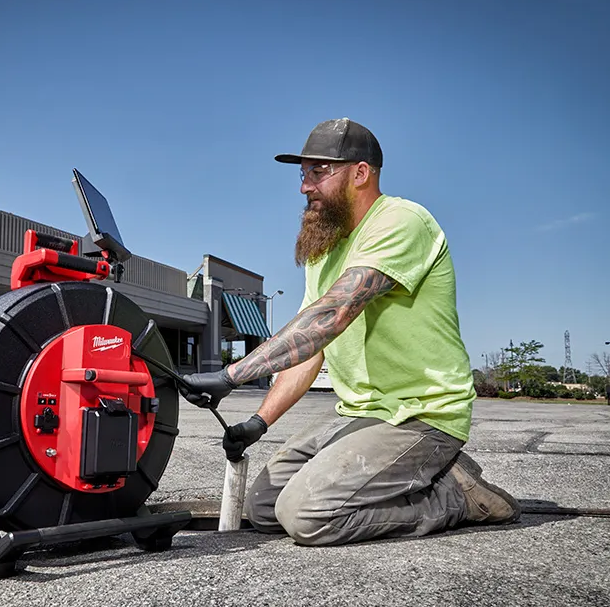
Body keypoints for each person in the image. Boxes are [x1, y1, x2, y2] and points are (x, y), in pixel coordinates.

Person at [178, 117, 519, 546]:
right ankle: (415, 478)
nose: (305, 186)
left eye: (319, 172)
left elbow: (332, 315)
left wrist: (231, 375)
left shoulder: (401, 221)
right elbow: (310, 348)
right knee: (263, 508)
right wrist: (258, 422)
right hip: (362, 415)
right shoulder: (326, 247)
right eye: (303, 174)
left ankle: (457, 496)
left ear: (361, 173)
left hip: (421, 416)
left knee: (305, 516)